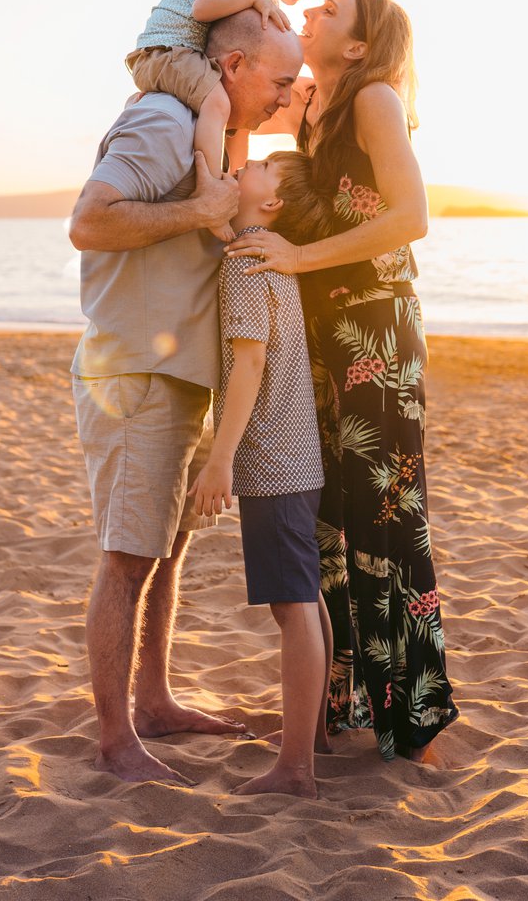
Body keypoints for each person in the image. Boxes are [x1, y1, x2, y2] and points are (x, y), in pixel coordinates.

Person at [68, 10, 303, 785]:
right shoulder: (164, 122)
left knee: (163, 554)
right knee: (129, 556)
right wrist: (201, 211)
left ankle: (156, 700)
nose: (284, 95)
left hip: (176, 377)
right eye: (277, 79)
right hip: (136, 373)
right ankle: (114, 740)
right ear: (232, 66)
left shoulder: (212, 137)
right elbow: (89, 221)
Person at [226, 0, 458, 761]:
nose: (312, 14)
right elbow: (239, 110)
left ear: (360, 46)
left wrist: (293, 257)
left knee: (386, 519)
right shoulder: (317, 101)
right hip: (325, 332)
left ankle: (412, 718)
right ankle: (337, 707)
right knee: (329, 521)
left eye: (330, 10)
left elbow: (410, 217)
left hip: (377, 328)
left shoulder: (376, 99)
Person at [191, 151, 335, 797]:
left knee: (292, 607)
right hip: (299, 459)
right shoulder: (272, 256)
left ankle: (295, 767)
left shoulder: (249, 264)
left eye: (265, 167)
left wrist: (219, 458)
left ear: (271, 204)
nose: (248, 162)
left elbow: (247, 368)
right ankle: (315, 733)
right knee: (308, 600)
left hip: (273, 466)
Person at [125, 0, 339, 236]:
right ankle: (209, 194)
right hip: (166, 51)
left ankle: (230, 185)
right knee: (218, 102)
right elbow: (202, 8)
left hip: (178, 57)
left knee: (237, 120)